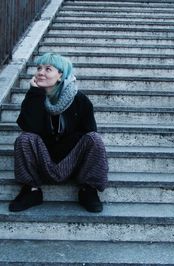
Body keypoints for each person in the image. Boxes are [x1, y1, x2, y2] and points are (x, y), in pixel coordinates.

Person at [8, 53, 109, 213]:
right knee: (25, 139)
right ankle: (31, 191)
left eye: (48, 69)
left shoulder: (80, 100)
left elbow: (88, 134)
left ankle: (88, 190)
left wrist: (64, 150)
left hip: (71, 161)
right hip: (43, 160)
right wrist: (35, 93)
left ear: (61, 75)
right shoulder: (35, 97)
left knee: (94, 139)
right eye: (39, 68)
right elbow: (28, 126)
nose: (40, 72)